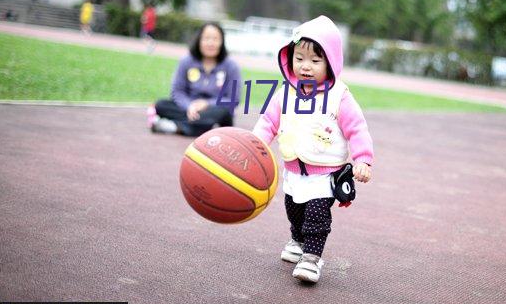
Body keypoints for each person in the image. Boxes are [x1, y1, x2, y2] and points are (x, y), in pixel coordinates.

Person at [252, 15, 373, 283]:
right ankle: (296, 239)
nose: (305, 66)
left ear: (330, 62)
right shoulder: (285, 93)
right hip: (293, 170)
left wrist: (363, 159)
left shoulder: (340, 96)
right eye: (299, 58)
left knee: (317, 215)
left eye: (315, 61)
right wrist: (254, 145)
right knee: (293, 209)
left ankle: (312, 257)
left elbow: (358, 129)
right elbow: (268, 122)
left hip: (325, 174)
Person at [149, 22, 241, 136]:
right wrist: (190, 106)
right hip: (188, 109)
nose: (211, 43)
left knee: (223, 112)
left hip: (215, 111)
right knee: (161, 105)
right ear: (199, 40)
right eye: (206, 38)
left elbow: (233, 100)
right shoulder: (186, 61)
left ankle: (173, 126)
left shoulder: (231, 66)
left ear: (222, 42)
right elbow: (177, 92)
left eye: (216, 39)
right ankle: (200, 127)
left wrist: (206, 104)